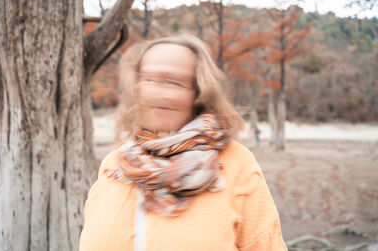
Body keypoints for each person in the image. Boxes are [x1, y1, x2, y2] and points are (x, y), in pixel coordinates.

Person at [79, 34, 287, 251]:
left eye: (175, 83)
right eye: (149, 79)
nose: (159, 92)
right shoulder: (115, 163)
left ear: (199, 93)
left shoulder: (237, 164)